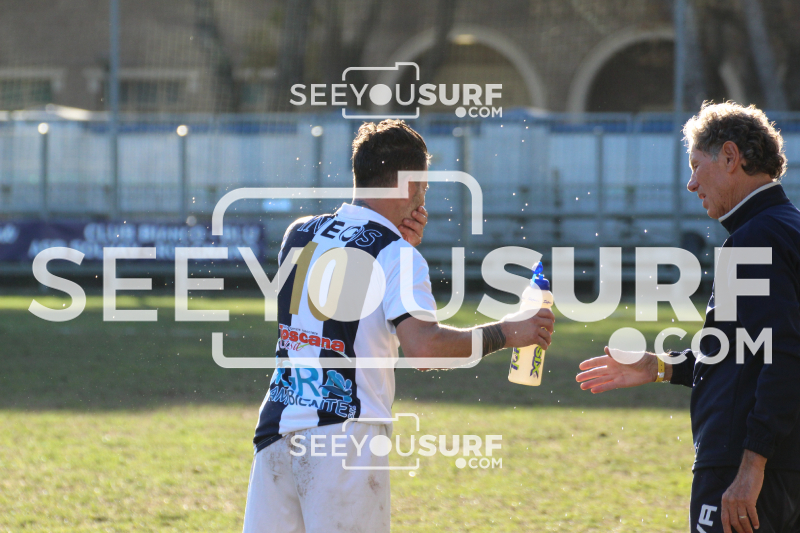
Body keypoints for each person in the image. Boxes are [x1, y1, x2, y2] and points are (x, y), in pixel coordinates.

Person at [242, 119, 555, 533]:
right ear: (408, 187)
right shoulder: (396, 255)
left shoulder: (298, 234)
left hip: (276, 430)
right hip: (345, 439)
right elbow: (425, 349)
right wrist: (508, 332)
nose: (423, 201)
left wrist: (395, 243)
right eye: (422, 188)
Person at [576, 102, 800, 533]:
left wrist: (751, 465)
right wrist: (659, 367)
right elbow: (739, 351)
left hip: (747, 469)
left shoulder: (757, 238)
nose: (691, 182)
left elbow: (785, 355)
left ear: (731, 157)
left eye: (697, 166)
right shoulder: (782, 228)